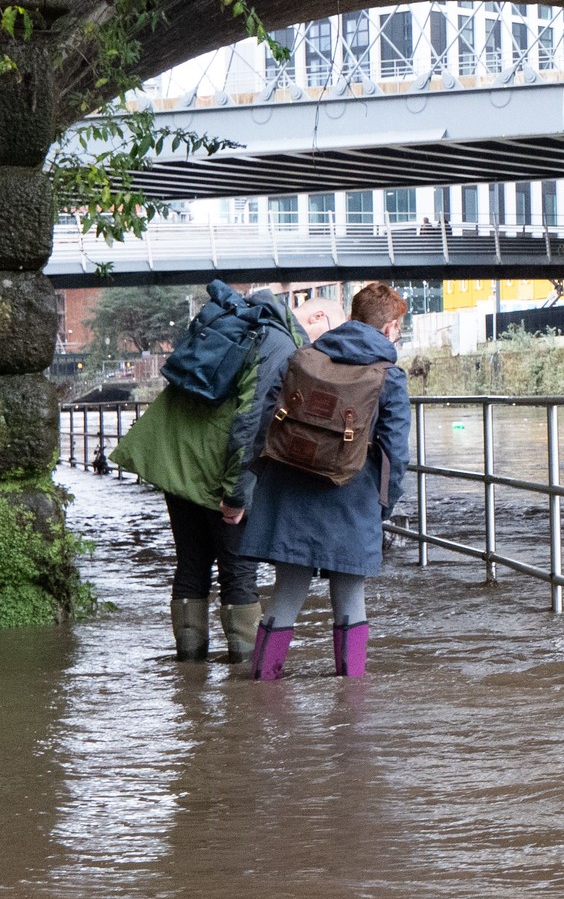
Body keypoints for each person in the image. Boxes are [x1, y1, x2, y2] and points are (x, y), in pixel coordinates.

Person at [112, 285, 310, 662]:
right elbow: (252, 423)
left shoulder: (233, 321)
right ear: (312, 320)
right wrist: (237, 495)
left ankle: (189, 675)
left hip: (173, 450)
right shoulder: (279, 344)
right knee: (238, 571)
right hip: (214, 463)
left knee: (191, 561)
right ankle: (245, 686)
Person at [240, 283, 411, 680]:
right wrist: (383, 503)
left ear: (353, 316)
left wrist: (267, 483)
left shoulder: (301, 359)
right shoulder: (388, 376)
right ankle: (351, 701)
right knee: (351, 597)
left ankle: (263, 689)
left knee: (285, 593)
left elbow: (263, 424)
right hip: (352, 495)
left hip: (288, 491)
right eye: (398, 327)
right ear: (389, 328)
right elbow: (396, 453)